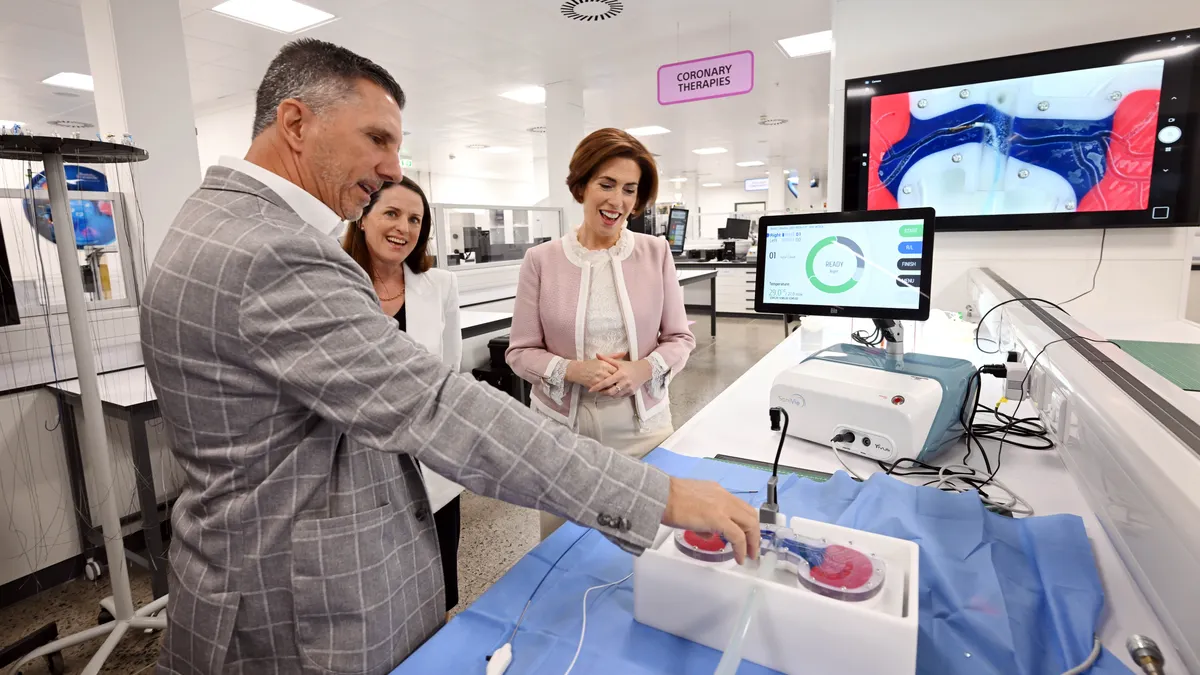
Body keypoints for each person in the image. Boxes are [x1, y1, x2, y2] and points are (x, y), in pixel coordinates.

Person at [139, 38, 758, 675]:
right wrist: (657, 497)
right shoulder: (272, 250)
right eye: (377, 139)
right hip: (294, 614)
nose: (391, 167)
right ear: (296, 123)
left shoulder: (221, 223)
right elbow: (437, 406)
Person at [507, 128, 696, 540]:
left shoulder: (655, 252)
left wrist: (642, 370)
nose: (617, 201)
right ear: (582, 186)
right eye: (606, 184)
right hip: (561, 432)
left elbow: (680, 339)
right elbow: (520, 352)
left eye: (629, 189)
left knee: (645, 544)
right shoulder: (541, 260)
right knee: (560, 546)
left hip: (641, 426)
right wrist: (573, 370)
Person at [341, 177, 465, 618]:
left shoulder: (440, 285)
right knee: (372, 592)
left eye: (415, 219)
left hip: (427, 457)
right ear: (363, 216)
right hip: (354, 463)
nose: (404, 227)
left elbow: (449, 371)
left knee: (434, 582)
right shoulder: (333, 283)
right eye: (391, 213)